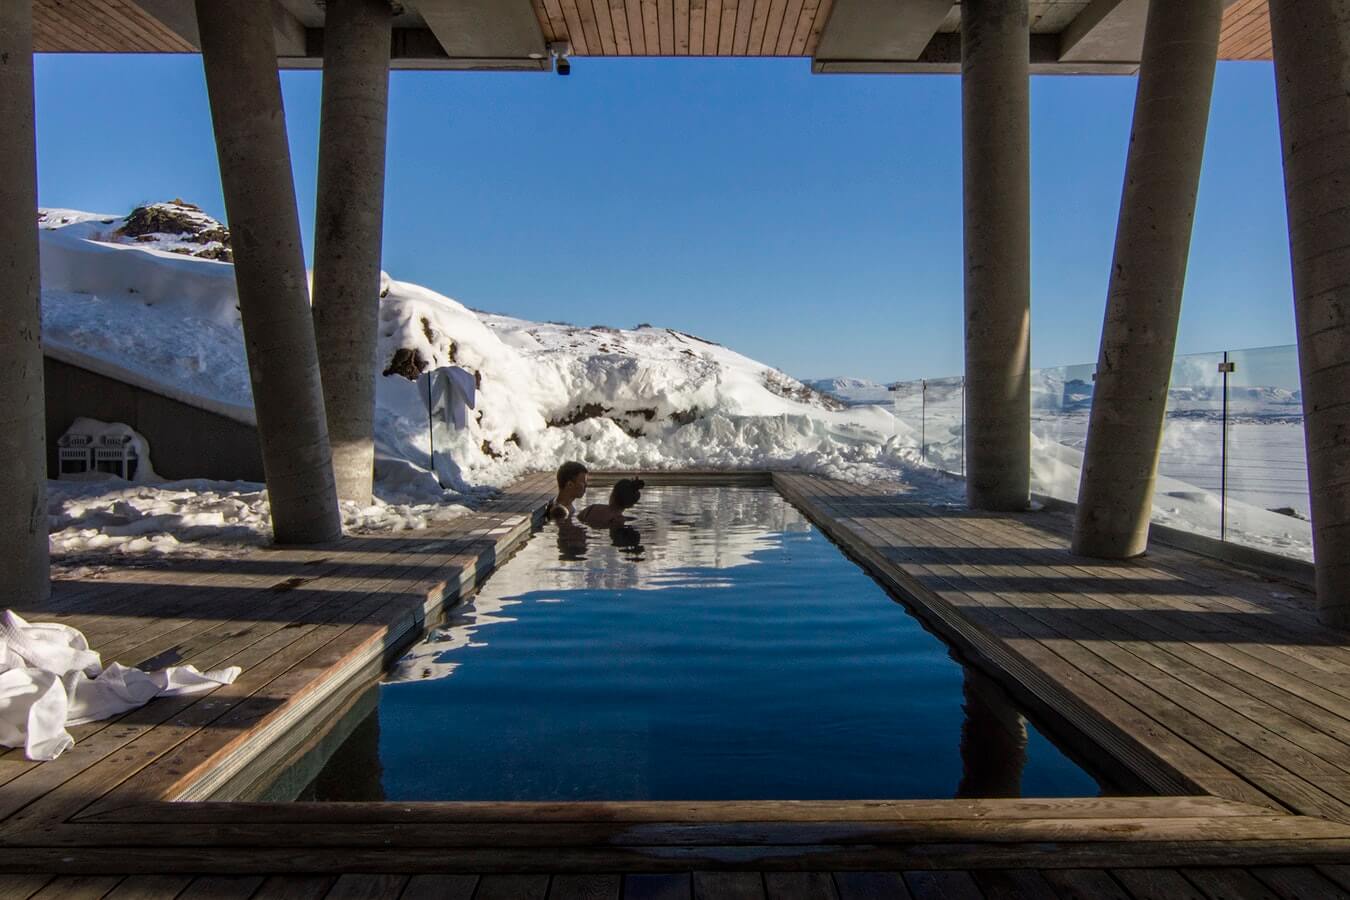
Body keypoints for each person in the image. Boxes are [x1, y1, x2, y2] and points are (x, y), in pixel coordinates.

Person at [578, 477, 645, 529]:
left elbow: (578, 517)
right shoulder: (618, 520)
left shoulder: (592, 508)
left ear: (613, 493)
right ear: (630, 505)